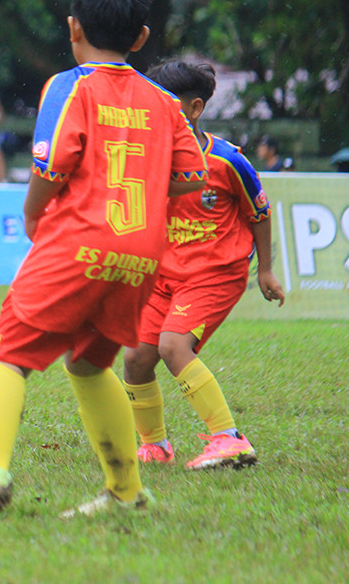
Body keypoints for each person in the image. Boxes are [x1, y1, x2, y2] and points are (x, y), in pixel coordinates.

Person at [0, 0, 208, 519]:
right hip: (139, 255)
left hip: (77, 240)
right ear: (142, 38)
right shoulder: (165, 103)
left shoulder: (67, 86)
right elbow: (194, 177)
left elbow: (52, 166)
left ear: (73, 27)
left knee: (7, 353)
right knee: (89, 363)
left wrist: (33, 214)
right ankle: (126, 492)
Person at [122, 60, 285, 470]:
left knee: (173, 346)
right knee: (136, 358)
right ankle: (155, 445)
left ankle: (229, 439)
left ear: (194, 109)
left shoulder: (228, 162)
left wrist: (264, 270)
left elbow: (260, 214)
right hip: (165, 276)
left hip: (216, 274)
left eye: (165, 104)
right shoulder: (148, 158)